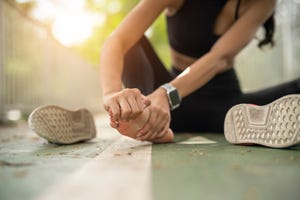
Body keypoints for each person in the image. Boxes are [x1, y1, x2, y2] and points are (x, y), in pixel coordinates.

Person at [100, 0, 300, 147]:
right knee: (132, 43)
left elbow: (219, 58)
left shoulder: (263, 2)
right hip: (159, 103)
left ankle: (152, 124)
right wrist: (111, 94)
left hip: (221, 104)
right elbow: (117, 40)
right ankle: (148, 120)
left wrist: (166, 94)